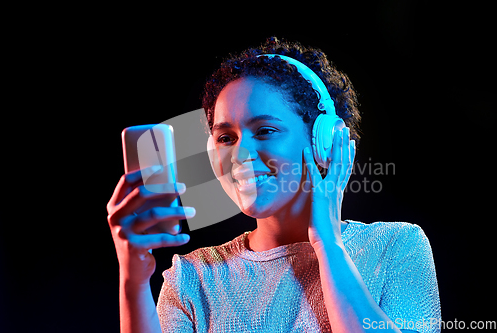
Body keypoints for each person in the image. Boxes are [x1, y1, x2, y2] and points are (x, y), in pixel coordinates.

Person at [106, 37, 441, 333]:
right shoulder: (192, 278)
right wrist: (133, 282)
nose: (240, 154)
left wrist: (328, 244)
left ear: (323, 141)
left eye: (265, 130)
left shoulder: (397, 246)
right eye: (226, 137)